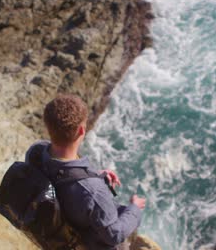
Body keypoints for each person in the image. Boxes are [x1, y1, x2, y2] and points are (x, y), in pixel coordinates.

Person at [27, 93, 146, 250]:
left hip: (62, 229)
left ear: (48, 126)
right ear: (82, 131)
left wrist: (95, 176)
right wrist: (134, 208)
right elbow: (113, 235)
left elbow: (65, 177)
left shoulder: (35, 153)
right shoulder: (93, 191)